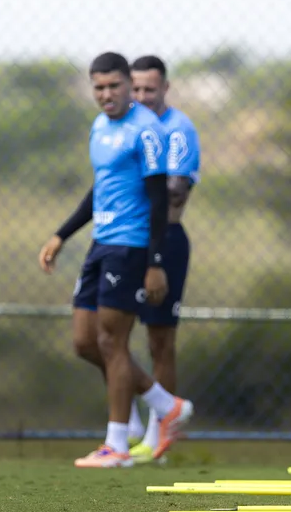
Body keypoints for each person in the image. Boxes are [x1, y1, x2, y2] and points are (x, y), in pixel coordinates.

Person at [38, 52, 192, 468]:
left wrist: (155, 262)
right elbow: (101, 188)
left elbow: (159, 199)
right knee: (85, 342)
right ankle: (166, 404)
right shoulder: (99, 127)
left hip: (131, 247)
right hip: (100, 243)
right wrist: (61, 234)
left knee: (113, 342)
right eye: (99, 87)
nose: (107, 94)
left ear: (128, 85)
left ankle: (117, 443)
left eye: (114, 86)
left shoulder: (147, 130)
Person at [125, 55, 202, 463]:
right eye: (135, 89)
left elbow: (172, 192)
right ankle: (127, 427)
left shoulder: (178, 130)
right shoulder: (125, 127)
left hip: (164, 240)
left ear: (165, 89)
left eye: (149, 89)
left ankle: (160, 435)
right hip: (125, 242)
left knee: (159, 341)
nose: (141, 97)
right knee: (108, 335)